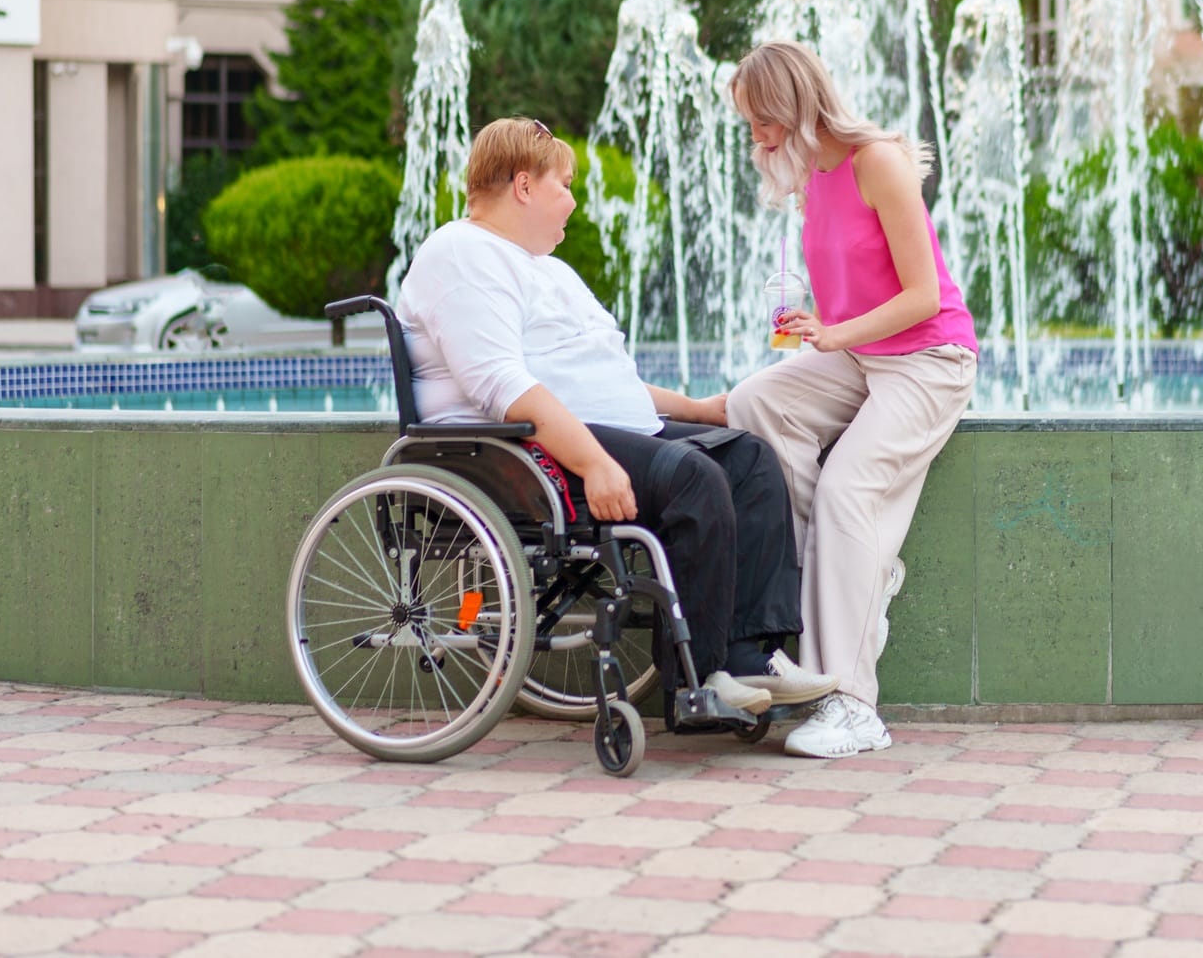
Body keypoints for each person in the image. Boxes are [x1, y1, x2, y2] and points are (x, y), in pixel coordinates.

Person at [395, 116, 835, 717]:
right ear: (523, 187)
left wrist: (702, 411)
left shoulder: (545, 268)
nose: (573, 202)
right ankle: (702, 682)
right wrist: (596, 464)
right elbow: (505, 386)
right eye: (564, 186)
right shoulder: (462, 253)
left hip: (582, 434)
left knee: (748, 458)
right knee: (692, 478)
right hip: (520, 453)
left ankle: (750, 658)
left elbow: (607, 379)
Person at [725, 42, 978, 758]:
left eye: (760, 121)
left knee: (845, 490)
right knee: (754, 403)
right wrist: (822, 328)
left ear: (791, 104)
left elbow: (923, 296)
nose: (756, 138)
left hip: (929, 359)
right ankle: (848, 563)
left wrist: (833, 334)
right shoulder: (813, 176)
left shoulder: (877, 161)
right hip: (860, 354)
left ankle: (855, 705)